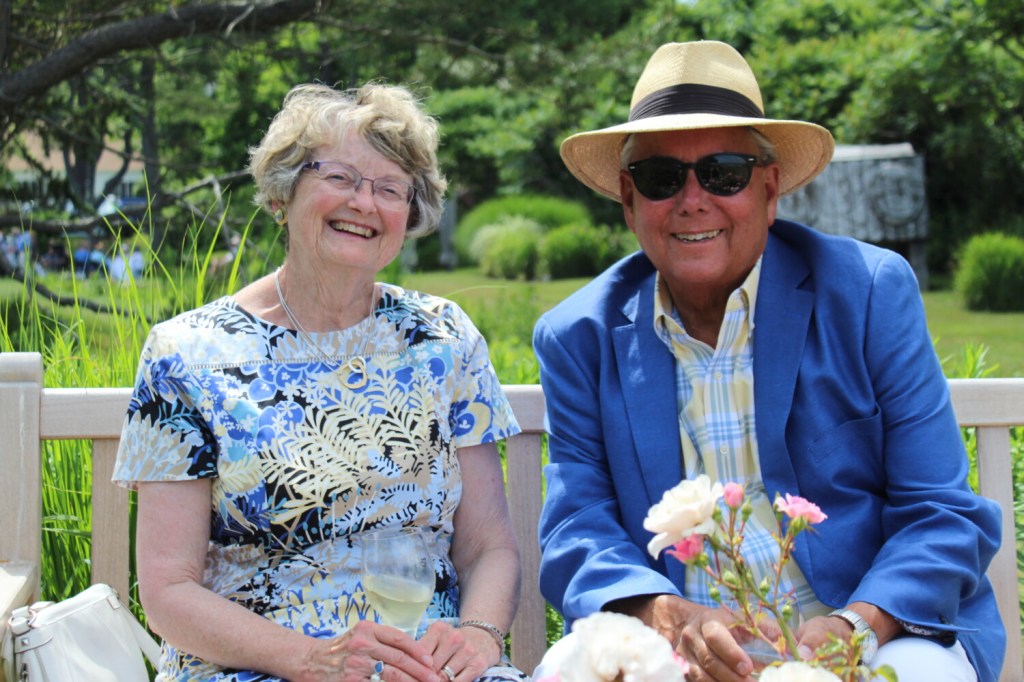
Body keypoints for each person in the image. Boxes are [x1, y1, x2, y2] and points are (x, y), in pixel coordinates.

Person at [531, 40, 1003, 682]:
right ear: (628, 199)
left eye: (723, 173)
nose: (692, 200)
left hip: (869, 634)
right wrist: (663, 614)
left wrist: (855, 627)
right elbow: (578, 527)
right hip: (679, 650)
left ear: (770, 188)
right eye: (661, 177)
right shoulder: (577, 336)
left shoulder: (866, 292)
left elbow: (940, 511)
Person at [114, 82, 528, 682]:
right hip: (257, 666)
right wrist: (310, 659)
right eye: (339, 177)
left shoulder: (443, 338)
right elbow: (168, 590)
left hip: (427, 667)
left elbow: (488, 546)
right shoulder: (188, 355)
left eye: (390, 189)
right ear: (282, 193)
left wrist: (479, 637)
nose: (365, 202)